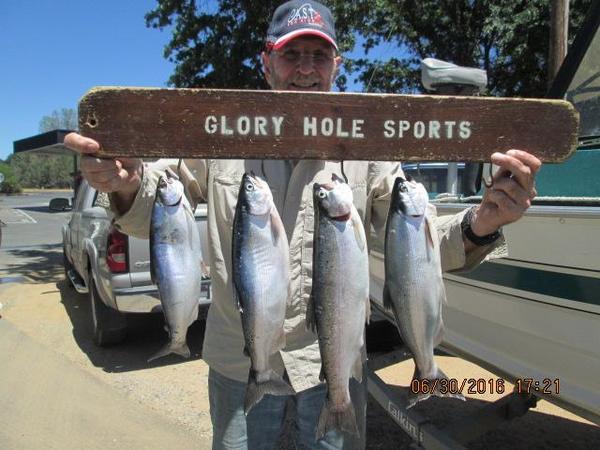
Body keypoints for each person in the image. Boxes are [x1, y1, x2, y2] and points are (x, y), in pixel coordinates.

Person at [64, 1, 541, 448]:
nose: (307, 68)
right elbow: (156, 211)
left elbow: (416, 246)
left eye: (319, 54)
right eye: (292, 54)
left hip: (331, 361)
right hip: (241, 361)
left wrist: (482, 222)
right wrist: (122, 184)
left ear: (337, 65)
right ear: (267, 63)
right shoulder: (219, 131)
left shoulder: (370, 146)